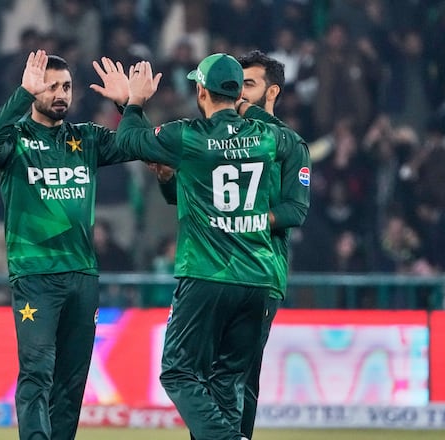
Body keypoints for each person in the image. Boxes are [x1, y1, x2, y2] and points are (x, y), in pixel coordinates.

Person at [103, 54, 310, 440]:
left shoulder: (191, 136)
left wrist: (132, 103)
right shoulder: (273, 139)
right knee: (228, 380)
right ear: (237, 94)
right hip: (258, 276)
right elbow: (290, 150)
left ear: (200, 90)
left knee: (178, 371)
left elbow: (131, 141)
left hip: (207, 272)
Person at [0, 50, 134, 440]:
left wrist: (128, 106)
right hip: (35, 275)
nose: (61, 93)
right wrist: (20, 95)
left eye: (66, 86)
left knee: (70, 383)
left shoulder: (87, 138)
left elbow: (138, 145)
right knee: (36, 371)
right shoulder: (16, 141)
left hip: (83, 276)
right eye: (51, 87)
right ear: (34, 90)